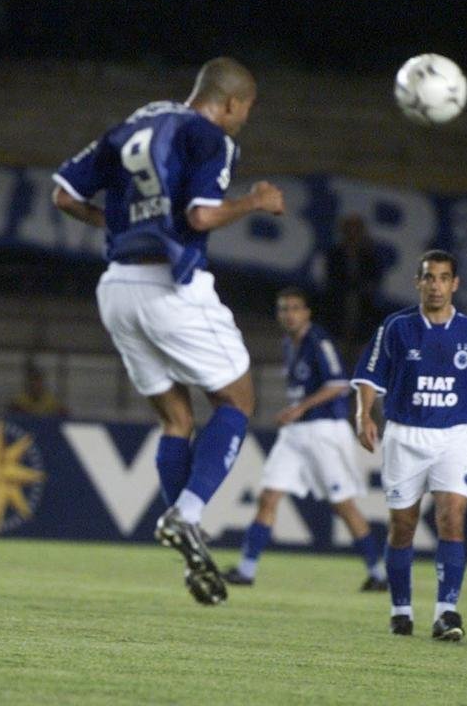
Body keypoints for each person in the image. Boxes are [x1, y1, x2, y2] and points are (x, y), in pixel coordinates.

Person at [51, 56, 284, 606]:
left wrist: (117, 222)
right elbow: (201, 217)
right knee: (239, 398)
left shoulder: (136, 122)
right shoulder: (210, 138)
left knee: (177, 419)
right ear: (229, 103)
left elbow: (63, 194)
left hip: (116, 290)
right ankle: (189, 513)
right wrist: (253, 201)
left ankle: (190, 542)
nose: (243, 119)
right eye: (245, 109)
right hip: (168, 285)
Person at [352, 249, 467, 642]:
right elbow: (369, 375)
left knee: (452, 520)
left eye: (443, 278)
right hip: (404, 434)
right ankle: (401, 610)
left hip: (454, 436)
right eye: (429, 278)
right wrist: (363, 414)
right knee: (403, 527)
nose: (436, 285)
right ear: (418, 282)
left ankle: (446, 613)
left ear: (455, 284)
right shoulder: (396, 327)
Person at [223, 287, 387, 591]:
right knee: (268, 496)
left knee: (343, 506)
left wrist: (299, 408)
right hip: (296, 433)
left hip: (324, 431)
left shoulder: (318, 340)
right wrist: (297, 412)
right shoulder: (289, 343)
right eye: (284, 308)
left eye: (295, 308)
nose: (289, 314)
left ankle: (377, 574)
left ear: (307, 312)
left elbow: (339, 384)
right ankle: (246, 571)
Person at [325, 213, 383, 361]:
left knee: (360, 349)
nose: (353, 233)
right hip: (339, 305)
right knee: (338, 349)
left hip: (363, 307)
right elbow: (331, 279)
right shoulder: (335, 253)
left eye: (356, 229)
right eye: (349, 229)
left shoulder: (369, 255)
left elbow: (375, 279)